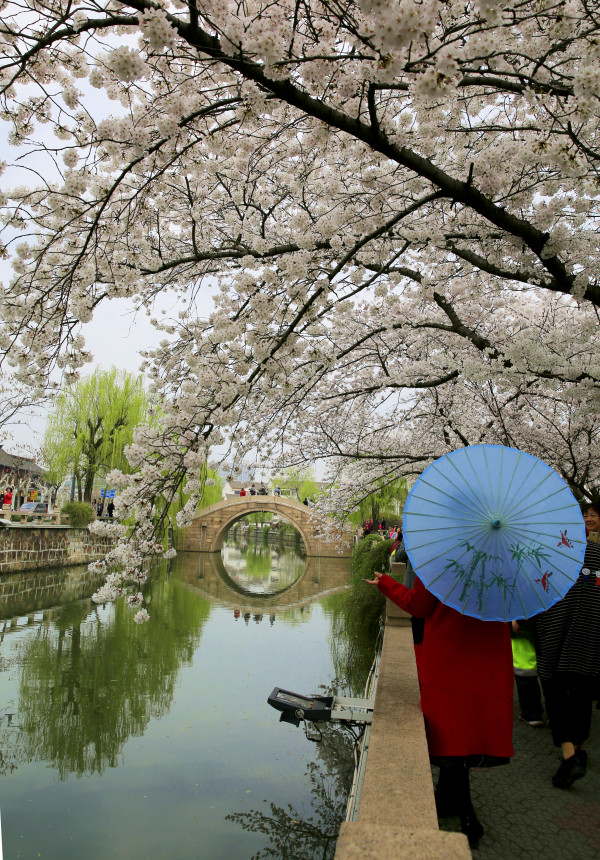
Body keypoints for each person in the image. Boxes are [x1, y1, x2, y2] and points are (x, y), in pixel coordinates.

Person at [366, 570, 513, 847]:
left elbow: (419, 606)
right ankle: (446, 801)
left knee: (453, 735)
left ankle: (468, 817)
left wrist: (386, 583)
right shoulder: (502, 565)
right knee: (465, 735)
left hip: (450, 659)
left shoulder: (442, 558)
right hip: (487, 660)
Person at [532, 502, 600, 788]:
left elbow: (545, 592)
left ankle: (569, 758)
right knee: (582, 695)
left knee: (557, 695)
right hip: (591, 638)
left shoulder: (560, 555)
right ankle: (580, 752)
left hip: (560, 636)